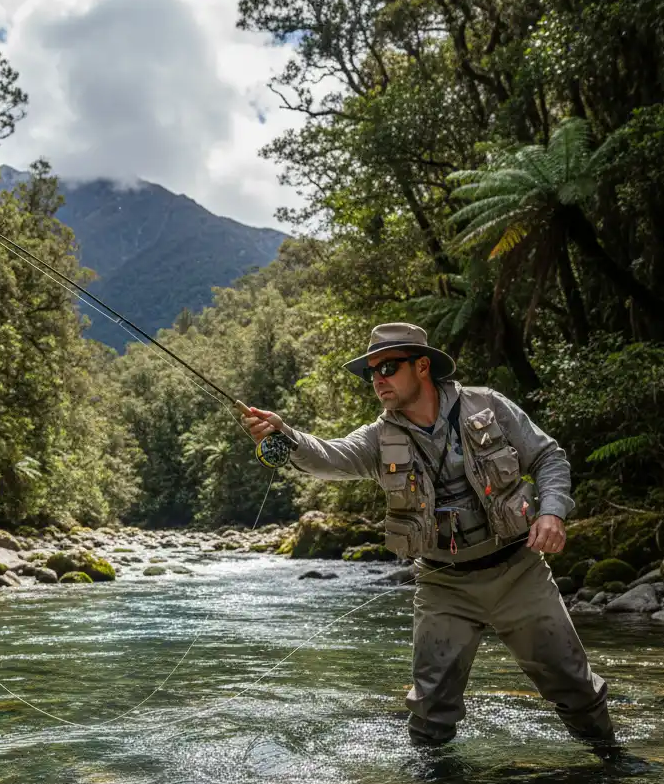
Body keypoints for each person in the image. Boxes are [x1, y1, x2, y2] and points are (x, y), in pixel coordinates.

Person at [244, 322, 616, 751]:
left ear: (422, 366)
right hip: (444, 583)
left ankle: (611, 764)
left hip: (518, 570)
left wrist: (552, 513)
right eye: (371, 373)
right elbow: (330, 457)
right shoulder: (378, 439)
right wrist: (285, 436)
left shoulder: (487, 405)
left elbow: (549, 456)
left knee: (574, 685)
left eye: (387, 367)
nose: (378, 380)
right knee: (430, 708)